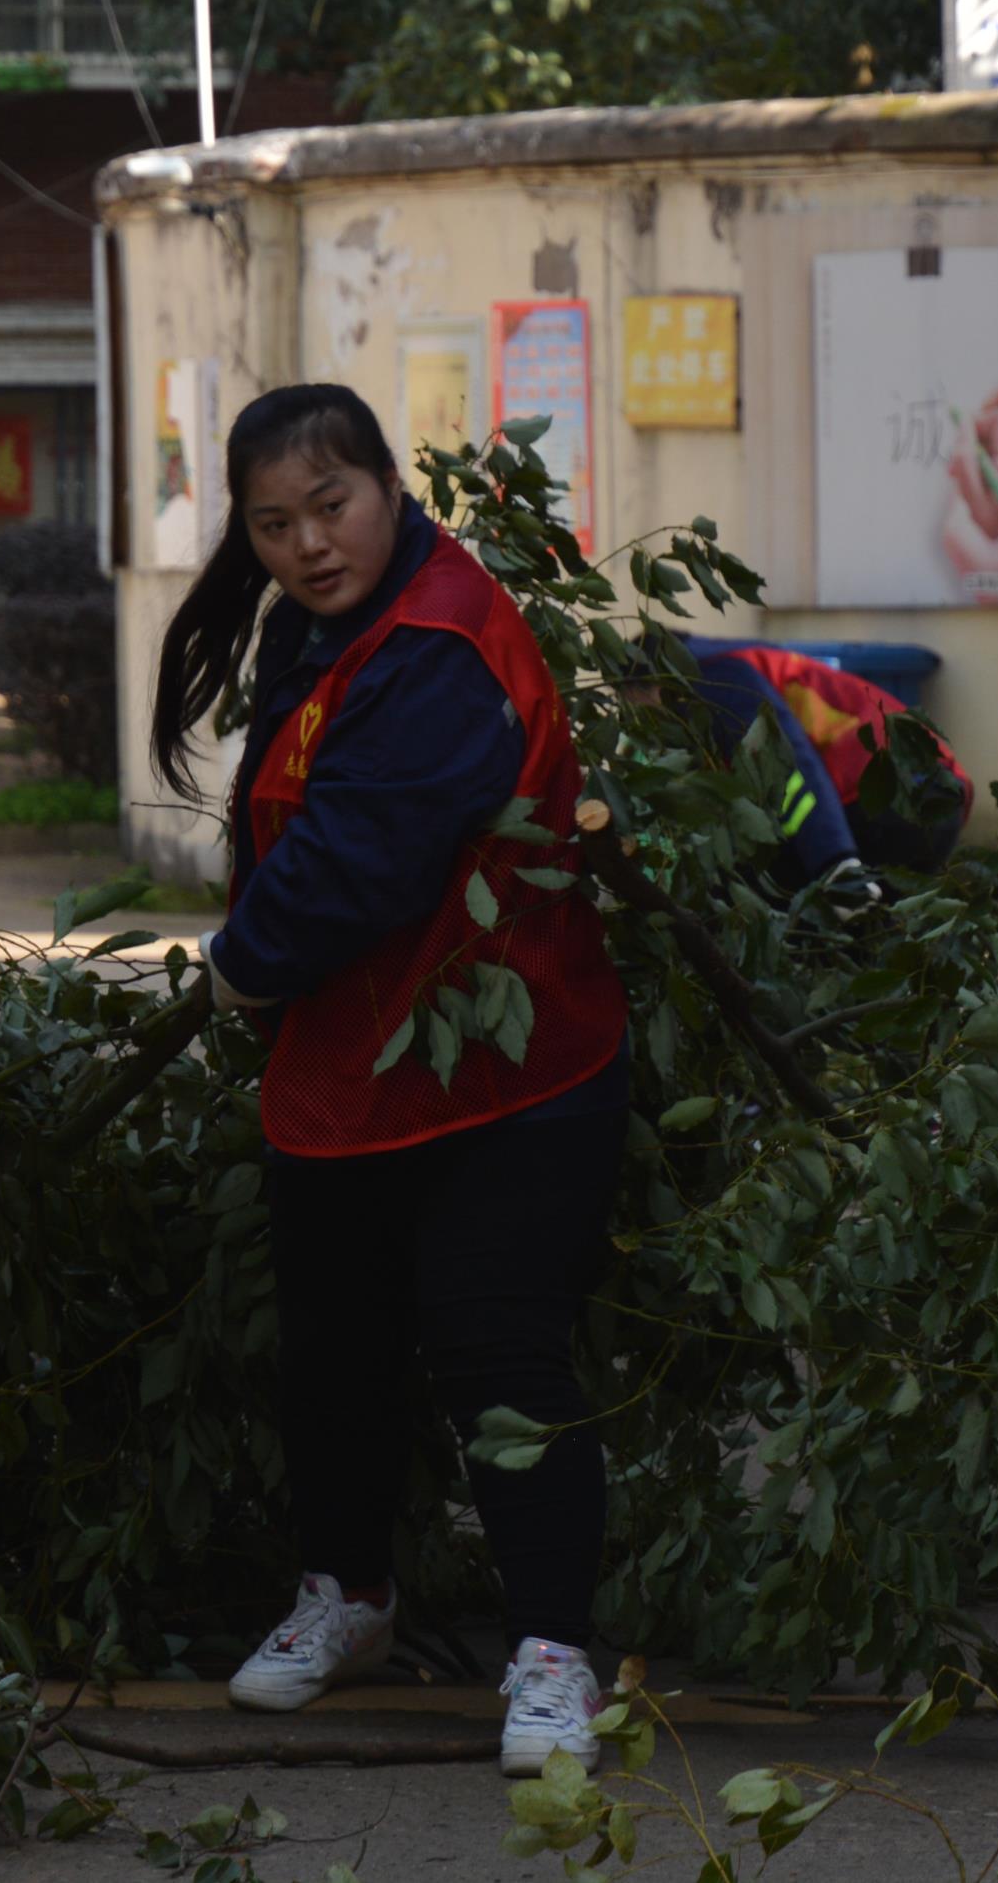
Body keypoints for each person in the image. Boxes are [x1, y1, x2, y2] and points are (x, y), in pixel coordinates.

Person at [149, 383, 631, 1779]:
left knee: (499, 1356)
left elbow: (353, 860)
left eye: (332, 505)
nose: (309, 544)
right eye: (274, 524)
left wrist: (239, 967)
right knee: (332, 1352)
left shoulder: (439, 644)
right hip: (349, 1067)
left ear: (388, 487)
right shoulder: (314, 627)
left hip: (511, 1068)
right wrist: (258, 964)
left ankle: (553, 1649)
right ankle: (348, 1595)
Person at [686, 639, 973, 885]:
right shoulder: (736, 656)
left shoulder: (712, 673)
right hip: (938, 790)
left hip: (880, 800)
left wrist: (835, 862)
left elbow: (781, 761)